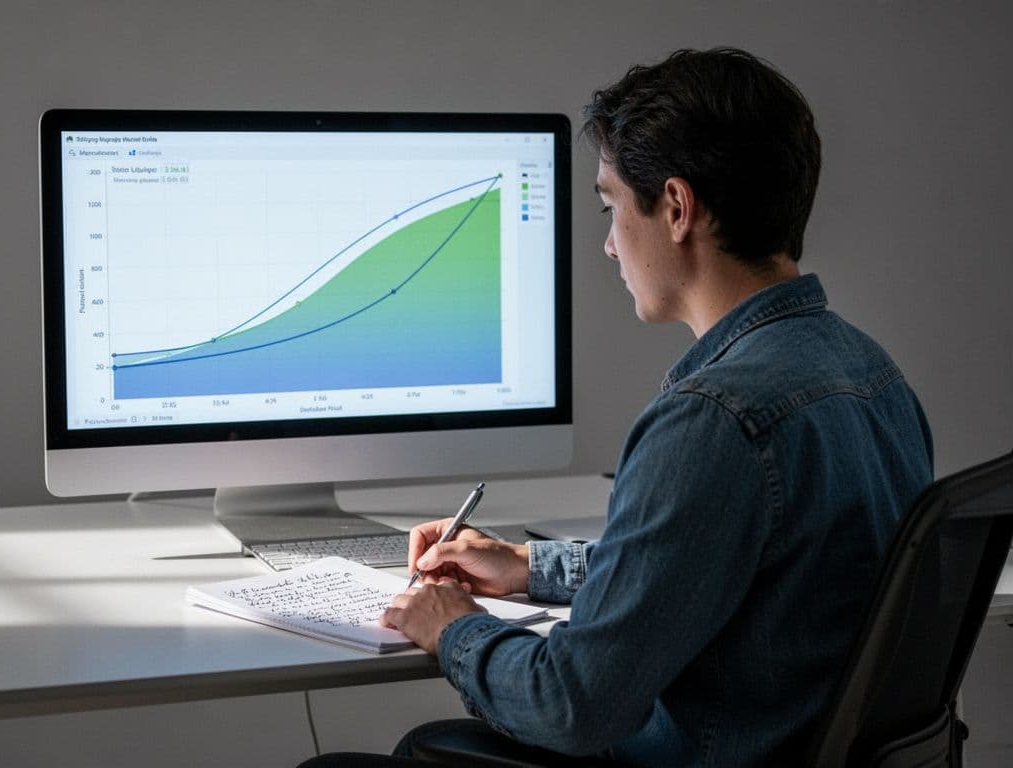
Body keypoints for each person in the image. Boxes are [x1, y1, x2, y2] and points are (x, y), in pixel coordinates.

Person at [299, 47, 933, 767]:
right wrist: (530, 566)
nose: (606, 245)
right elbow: (735, 574)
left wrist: (454, 628)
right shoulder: (874, 375)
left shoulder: (715, 418)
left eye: (610, 205)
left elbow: (572, 706)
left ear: (675, 207)